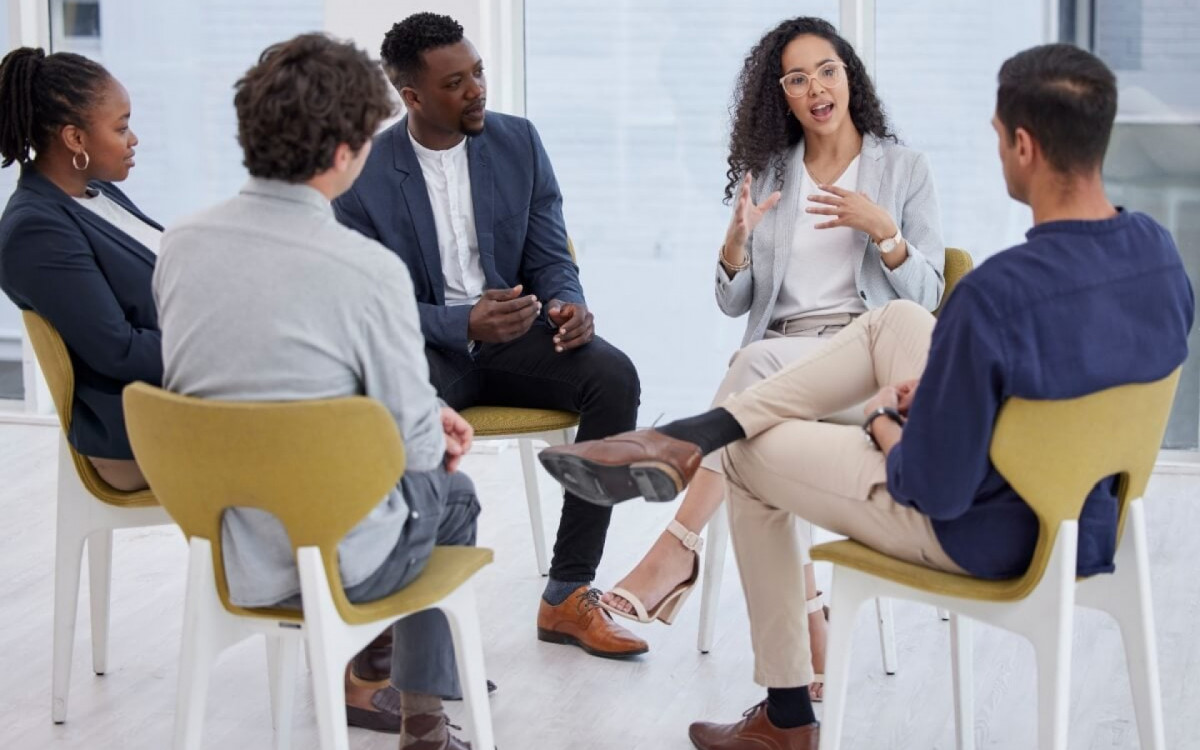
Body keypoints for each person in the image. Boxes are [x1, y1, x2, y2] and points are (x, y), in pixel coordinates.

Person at [539, 43, 1194, 749]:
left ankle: (787, 716)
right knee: (898, 320)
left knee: (749, 454)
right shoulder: (1160, 254)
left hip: (987, 533)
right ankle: (693, 436)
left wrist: (884, 418)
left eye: (1000, 135)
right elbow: (1074, 387)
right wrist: (949, 393)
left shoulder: (996, 296)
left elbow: (932, 486)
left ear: (1024, 146)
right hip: (1088, 519)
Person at [598, 16, 944, 698]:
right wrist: (734, 246)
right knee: (755, 398)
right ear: (780, 95)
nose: (816, 89)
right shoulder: (772, 173)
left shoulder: (903, 169)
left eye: (827, 71)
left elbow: (929, 297)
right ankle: (810, 627)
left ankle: (676, 548)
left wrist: (886, 233)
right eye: (797, 79)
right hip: (782, 349)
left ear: (849, 76)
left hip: (859, 362)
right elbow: (735, 303)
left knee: (746, 380)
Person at [154, 34, 478, 749]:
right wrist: (425, 422)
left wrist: (418, 413)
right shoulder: (365, 269)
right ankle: (422, 723)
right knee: (456, 497)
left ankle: (381, 675)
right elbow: (418, 452)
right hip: (338, 561)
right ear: (343, 153)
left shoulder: (180, 243)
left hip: (231, 549)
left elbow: (244, 376)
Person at [334, 12, 647, 660]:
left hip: (515, 337)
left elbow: (550, 253)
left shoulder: (518, 142)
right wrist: (460, 322)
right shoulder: (363, 174)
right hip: (423, 347)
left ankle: (567, 593)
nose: (477, 89)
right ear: (412, 96)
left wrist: (567, 304)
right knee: (382, 413)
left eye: (478, 72)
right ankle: (397, 621)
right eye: (456, 83)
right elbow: (365, 305)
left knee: (613, 377)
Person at [0, 47, 161, 492]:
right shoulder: (36, 230)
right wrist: (219, 349)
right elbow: (119, 351)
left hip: (184, 395)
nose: (133, 140)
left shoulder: (99, 194)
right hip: (138, 432)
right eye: (121, 128)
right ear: (74, 138)